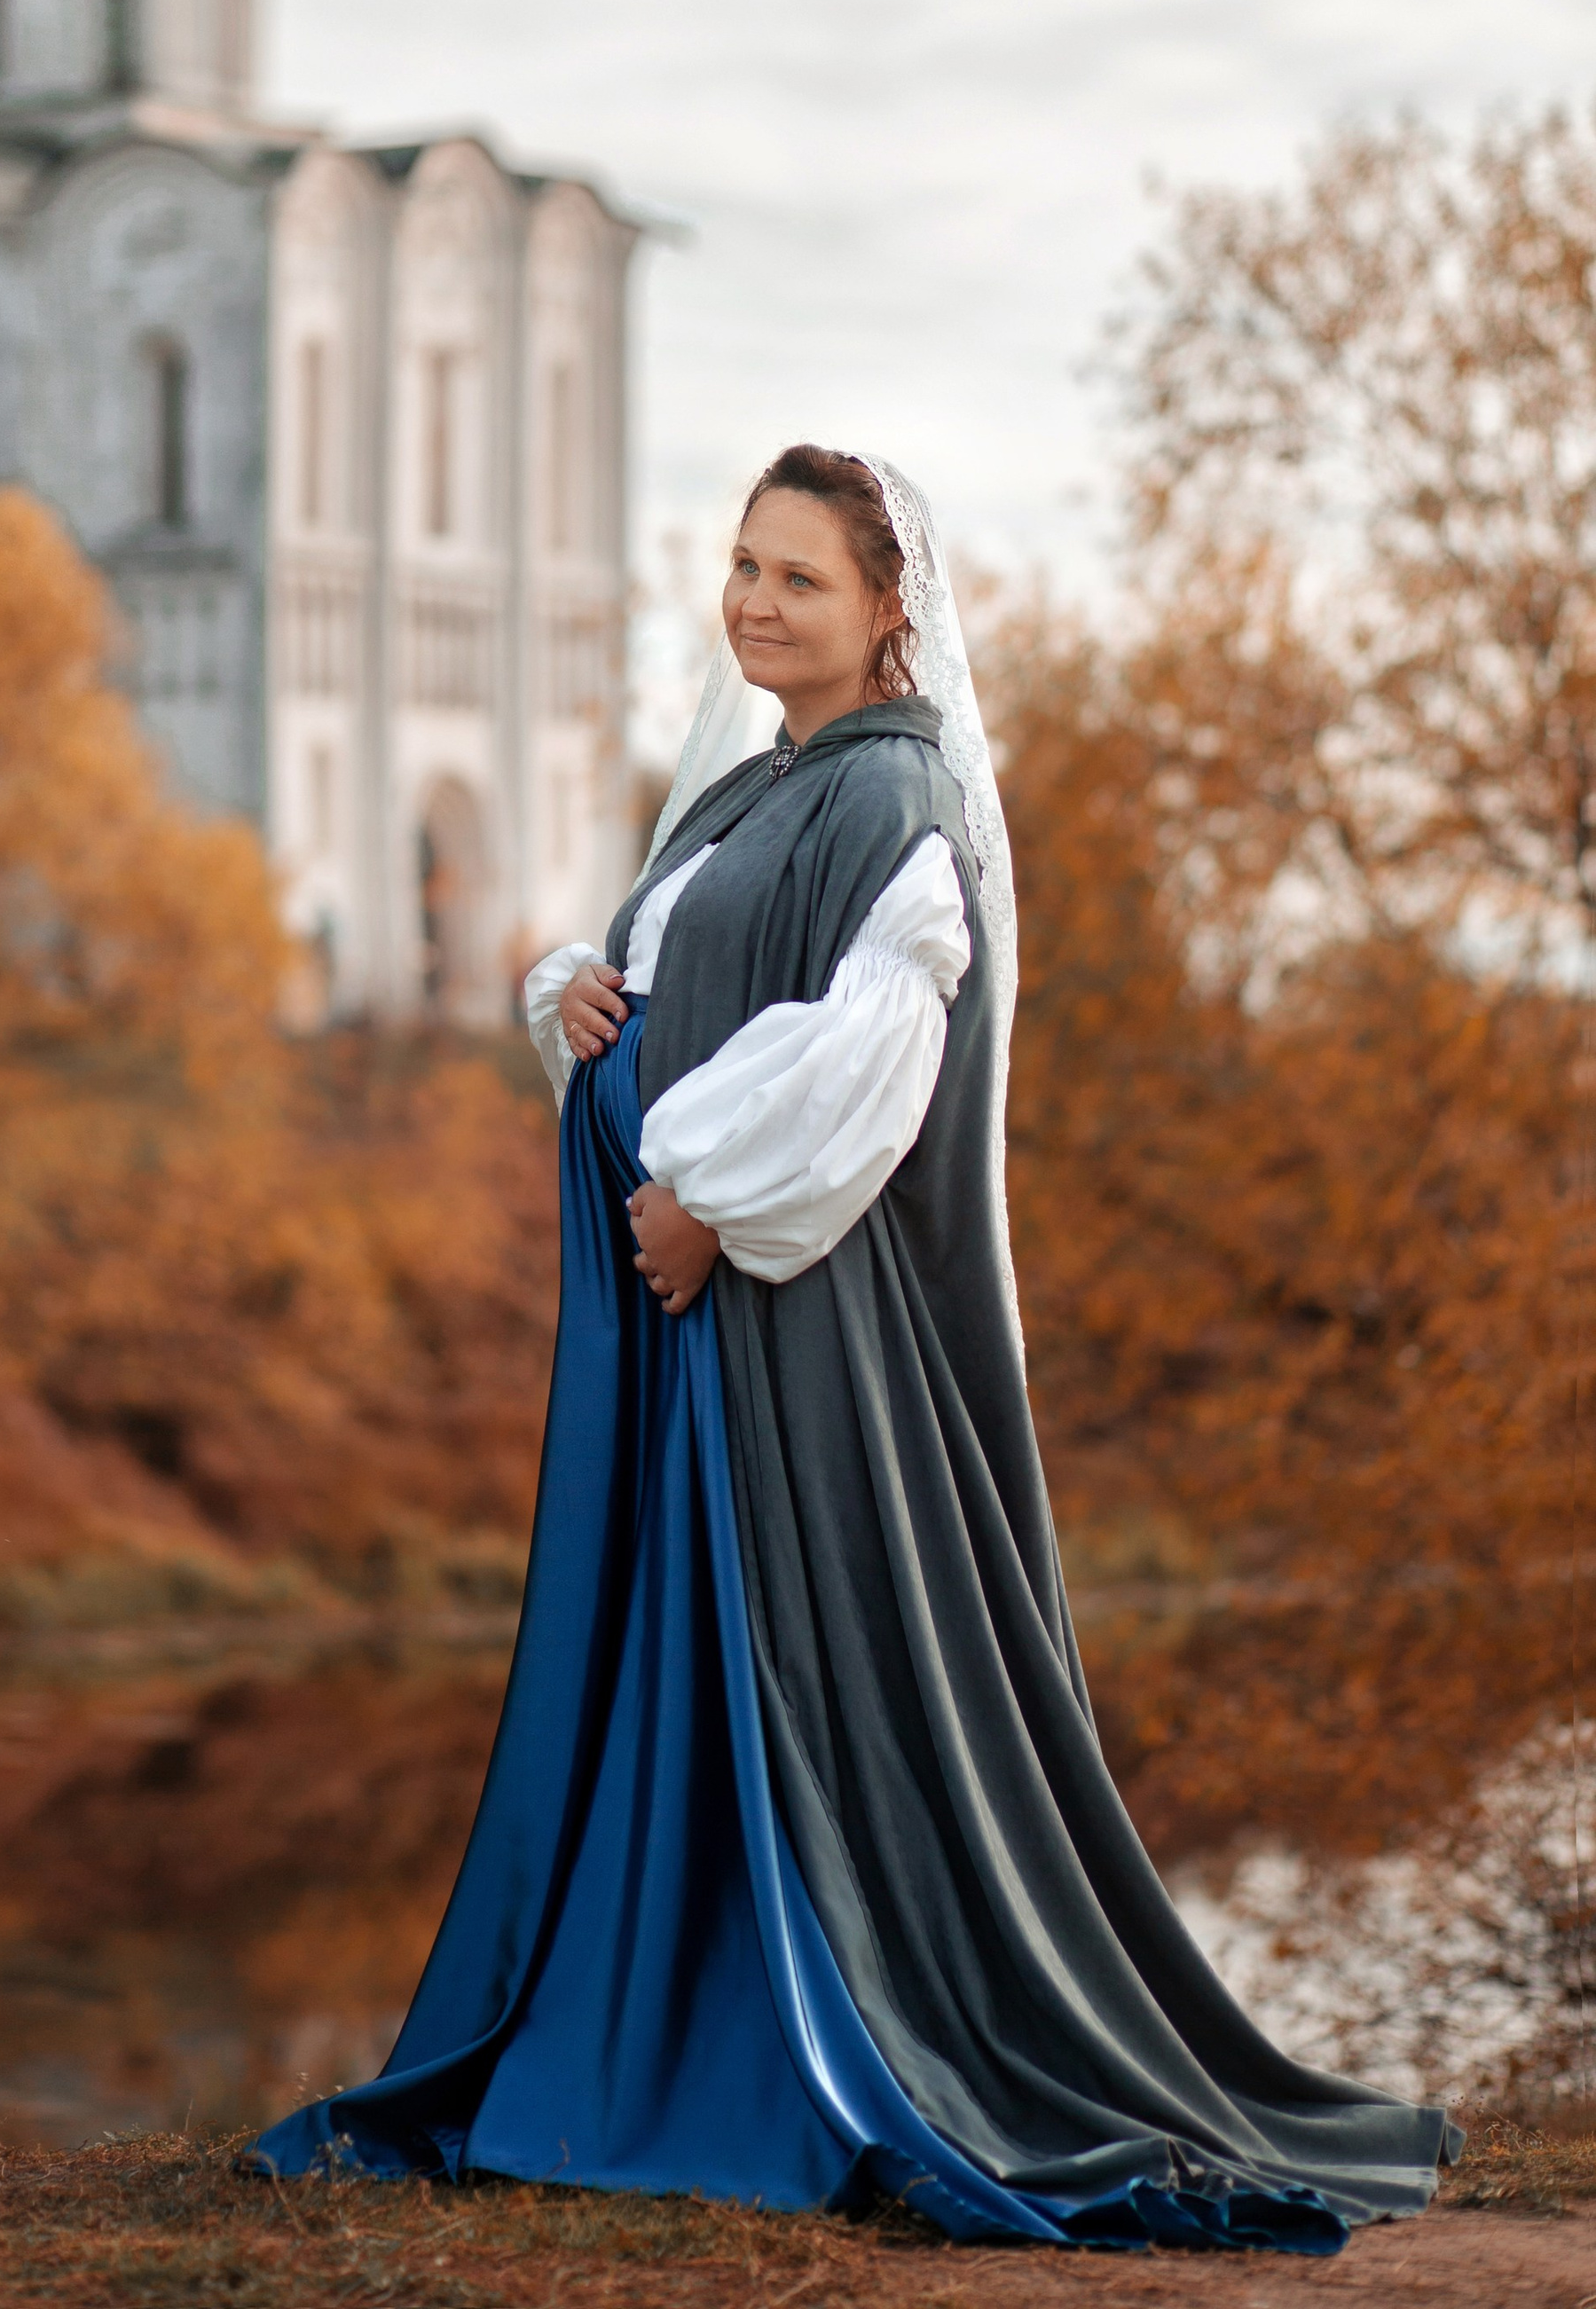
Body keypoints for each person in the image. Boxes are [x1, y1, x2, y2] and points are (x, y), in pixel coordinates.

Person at [252, 445, 1458, 2250]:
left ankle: (792, 2051)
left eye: (796, 578)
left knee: (793, 1688)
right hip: (676, 1343)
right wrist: (575, 996)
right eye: (740, 566)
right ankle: (644, 2021)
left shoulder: (894, 803)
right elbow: (676, 976)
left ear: (890, 605)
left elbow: (879, 1045)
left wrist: (709, 1196)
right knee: (671, 1673)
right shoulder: (754, 789)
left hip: (778, 1333)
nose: (750, 601)